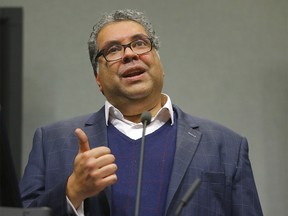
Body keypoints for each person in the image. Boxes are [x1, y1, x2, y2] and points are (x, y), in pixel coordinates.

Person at [20, 9, 263, 216]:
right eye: (113, 50)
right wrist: (72, 191)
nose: (129, 54)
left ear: (160, 64)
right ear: (98, 79)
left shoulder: (226, 146)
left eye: (140, 43)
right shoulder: (52, 141)